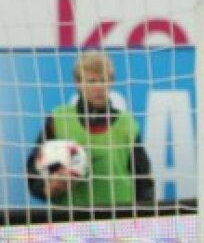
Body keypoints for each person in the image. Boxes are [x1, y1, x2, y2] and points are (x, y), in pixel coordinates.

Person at [25, 50, 154, 207]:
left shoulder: (127, 124)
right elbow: (34, 168)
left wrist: (145, 217)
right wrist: (47, 187)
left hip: (120, 218)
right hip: (70, 218)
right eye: (92, 81)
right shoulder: (59, 119)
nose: (99, 87)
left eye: (104, 80)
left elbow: (143, 180)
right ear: (78, 83)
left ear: (111, 81)